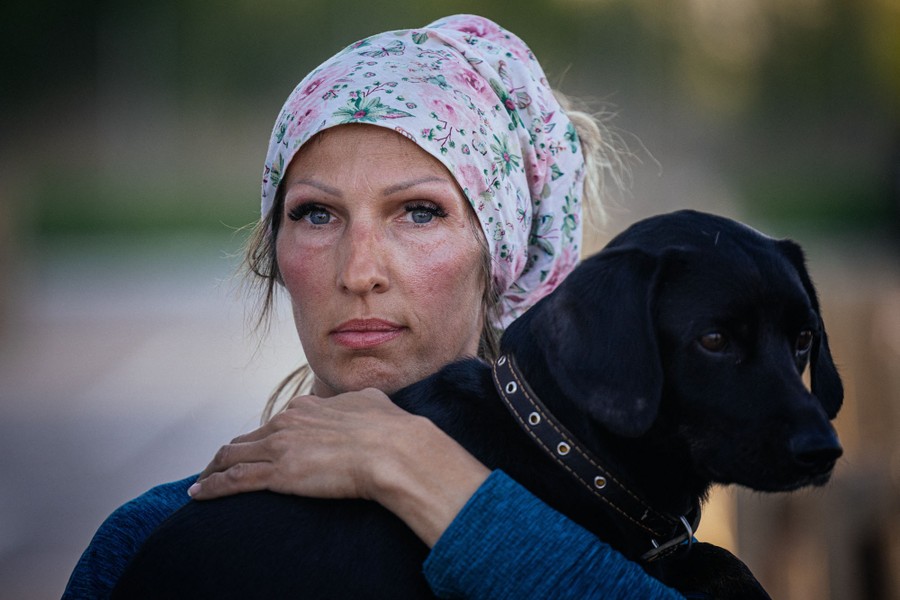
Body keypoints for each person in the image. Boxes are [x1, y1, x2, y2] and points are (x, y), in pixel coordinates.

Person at [63, 14, 683, 599]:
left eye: (418, 212)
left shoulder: (611, 537)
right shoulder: (151, 543)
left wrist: (416, 467)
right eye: (317, 214)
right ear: (274, 255)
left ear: (498, 256)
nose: (359, 272)